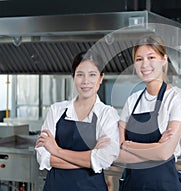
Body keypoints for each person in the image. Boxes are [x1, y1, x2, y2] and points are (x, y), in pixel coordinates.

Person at [113, 34, 181, 191]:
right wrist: (155, 147)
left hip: (162, 185)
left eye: (151, 57)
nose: (144, 64)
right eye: (139, 59)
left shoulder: (177, 97)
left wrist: (129, 145)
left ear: (163, 60)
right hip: (131, 185)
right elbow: (117, 153)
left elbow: (164, 153)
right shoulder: (132, 100)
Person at [35, 51, 120, 191]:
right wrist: (89, 159)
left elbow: (103, 159)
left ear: (101, 78)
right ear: (73, 77)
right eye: (80, 74)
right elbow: (42, 156)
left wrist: (56, 150)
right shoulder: (56, 110)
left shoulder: (107, 114)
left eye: (92, 74)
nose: (86, 81)